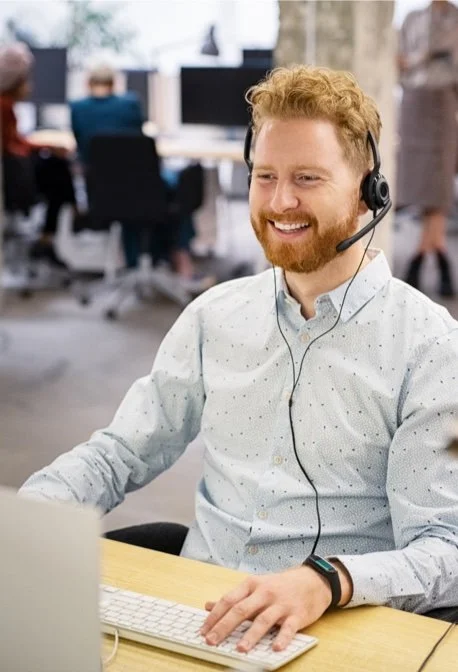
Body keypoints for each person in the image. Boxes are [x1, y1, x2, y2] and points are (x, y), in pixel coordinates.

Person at [20, 65, 458, 654]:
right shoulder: (214, 316)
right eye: (265, 176)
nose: (280, 201)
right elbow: (120, 452)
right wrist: (26, 519)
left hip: (337, 629)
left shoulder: (428, 346)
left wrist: (330, 581)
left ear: (367, 189)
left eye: (307, 177)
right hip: (200, 615)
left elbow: (444, 546)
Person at [71, 65, 208, 288]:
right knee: (175, 187)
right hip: (143, 190)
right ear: (114, 84)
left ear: (88, 84)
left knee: (139, 196)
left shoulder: (77, 108)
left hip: (103, 195)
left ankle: (139, 260)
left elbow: (81, 150)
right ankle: (180, 258)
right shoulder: (129, 104)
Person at [397, 0, 458, 297]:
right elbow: (399, 61)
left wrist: (425, 57)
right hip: (413, 106)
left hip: (446, 106)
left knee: (439, 183)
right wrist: (429, 57)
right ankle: (439, 253)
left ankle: (419, 256)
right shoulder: (412, 18)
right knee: (420, 184)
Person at [0, 42, 76, 266]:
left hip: (14, 172)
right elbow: (11, 147)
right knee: (58, 169)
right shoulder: (3, 106)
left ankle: (53, 231)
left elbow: (14, 141)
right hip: (15, 180)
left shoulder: (6, 106)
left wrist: (41, 146)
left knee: (55, 165)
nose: (31, 86)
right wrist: (45, 147)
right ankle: (53, 233)